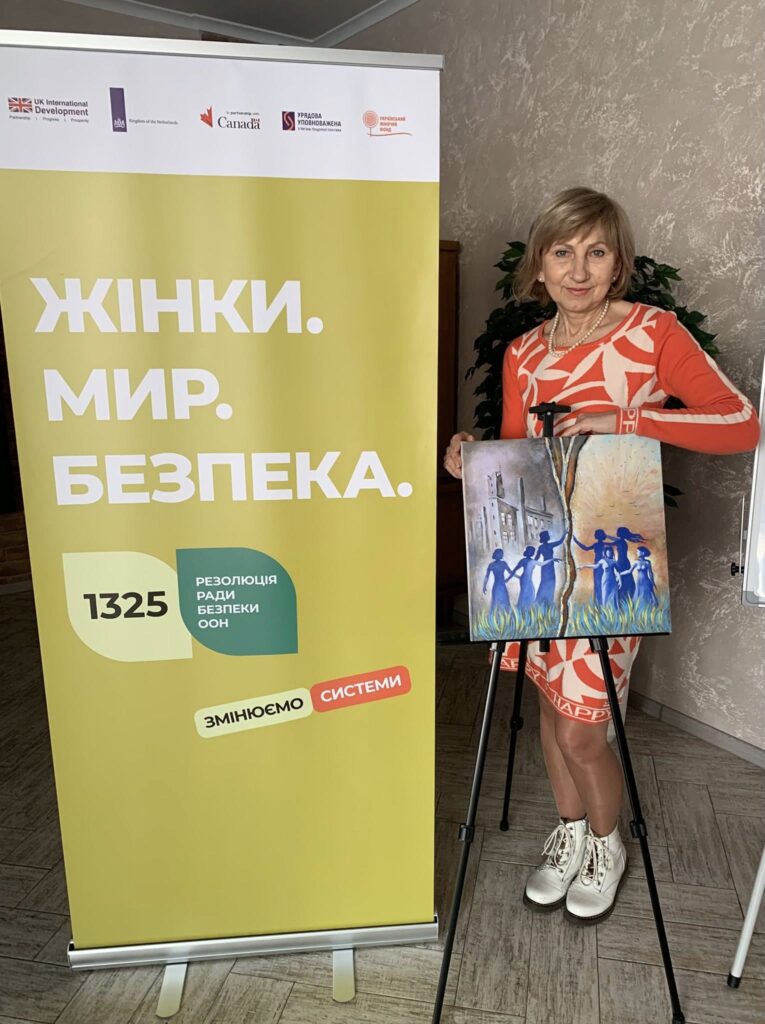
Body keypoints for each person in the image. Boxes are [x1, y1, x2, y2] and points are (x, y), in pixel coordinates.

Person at [443, 186, 759, 923]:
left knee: (582, 728)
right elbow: (519, 451)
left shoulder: (652, 332)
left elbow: (741, 424)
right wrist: (469, 455)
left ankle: (606, 843)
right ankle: (570, 832)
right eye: (562, 252)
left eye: (596, 252)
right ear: (539, 266)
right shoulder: (524, 352)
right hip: (536, 560)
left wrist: (625, 417)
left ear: (618, 264)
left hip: (614, 560)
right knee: (551, 708)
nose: (578, 269)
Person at [482, 548, 513, 613]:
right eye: (501, 554)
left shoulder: (494, 564)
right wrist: (484, 586)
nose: (502, 555)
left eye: (502, 554)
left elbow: (511, 573)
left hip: (499, 586)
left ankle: (503, 615)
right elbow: (486, 577)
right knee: (498, 601)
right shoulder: (497, 564)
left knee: (501, 601)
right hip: (499, 586)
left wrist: (484, 586)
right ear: (498, 555)